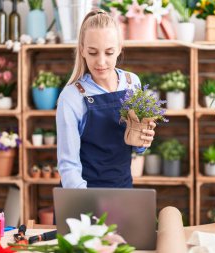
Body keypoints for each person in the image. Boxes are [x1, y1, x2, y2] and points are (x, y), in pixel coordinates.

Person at [56, 9, 156, 189]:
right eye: (93, 52)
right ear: (82, 51)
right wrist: (86, 206)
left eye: (109, 52)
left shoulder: (132, 83)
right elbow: (68, 166)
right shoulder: (71, 97)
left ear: (119, 49)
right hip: (82, 196)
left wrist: (141, 142)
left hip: (123, 189)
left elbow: (137, 147)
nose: (101, 62)